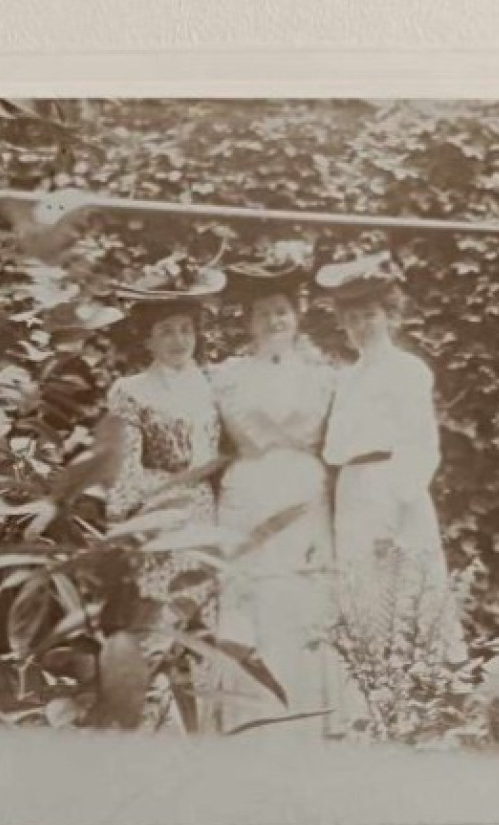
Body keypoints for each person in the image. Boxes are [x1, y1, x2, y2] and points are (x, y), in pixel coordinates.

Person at [318, 252, 467, 681]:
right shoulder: (347, 377)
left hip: (392, 487)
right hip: (353, 489)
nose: (362, 326)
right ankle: (374, 680)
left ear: (390, 316)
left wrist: (397, 509)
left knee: (405, 583)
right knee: (362, 586)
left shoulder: (408, 371)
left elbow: (420, 444)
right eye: (353, 318)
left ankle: (423, 683)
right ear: (343, 324)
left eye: (370, 315)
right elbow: (335, 447)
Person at [207, 262, 340, 737]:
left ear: (297, 316)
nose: (274, 321)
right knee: (252, 593)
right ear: (248, 321)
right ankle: (250, 719)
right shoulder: (225, 377)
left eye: (282, 311)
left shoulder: (324, 376)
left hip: (305, 490)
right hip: (249, 491)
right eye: (263, 313)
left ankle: (310, 719)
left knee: (303, 593)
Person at [103, 261, 227, 728]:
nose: (179, 340)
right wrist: (133, 528)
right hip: (158, 524)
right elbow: (125, 468)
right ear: (148, 340)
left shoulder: (214, 385)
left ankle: (207, 734)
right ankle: (152, 732)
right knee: (155, 632)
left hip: (208, 521)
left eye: (185, 329)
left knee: (205, 634)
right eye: (167, 331)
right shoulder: (130, 390)